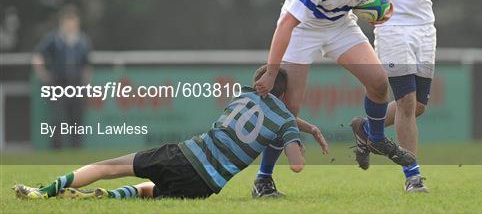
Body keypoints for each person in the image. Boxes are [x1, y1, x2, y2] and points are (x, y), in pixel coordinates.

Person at [251, 0, 416, 197]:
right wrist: (271, 73)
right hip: (303, 29)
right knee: (287, 110)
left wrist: (388, 7)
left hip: (339, 25)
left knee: (378, 83)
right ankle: (263, 180)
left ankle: (373, 137)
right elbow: (285, 25)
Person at [13, 65, 314, 200]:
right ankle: (98, 198)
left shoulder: (240, 96)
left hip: (184, 157)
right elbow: (297, 164)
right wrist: (295, 132)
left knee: (109, 166)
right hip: (205, 187)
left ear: (258, 84)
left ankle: (44, 191)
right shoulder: (284, 117)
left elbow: (256, 111)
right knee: (150, 190)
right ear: (284, 95)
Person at [351, 0, 461, 193]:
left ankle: (368, 130)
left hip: (424, 27)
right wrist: (374, 1)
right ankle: (413, 177)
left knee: (418, 107)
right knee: (406, 101)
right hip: (390, 27)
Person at [32, 5, 92, 149]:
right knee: (57, 119)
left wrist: (86, 84)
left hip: (76, 85)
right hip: (58, 84)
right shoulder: (54, 39)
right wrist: (43, 74)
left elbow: (87, 64)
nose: (71, 25)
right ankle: (56, 149)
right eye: (69, 22)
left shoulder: (82, 41)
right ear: (63, 22)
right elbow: (38, 56)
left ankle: (76, 150)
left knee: (76, 120)